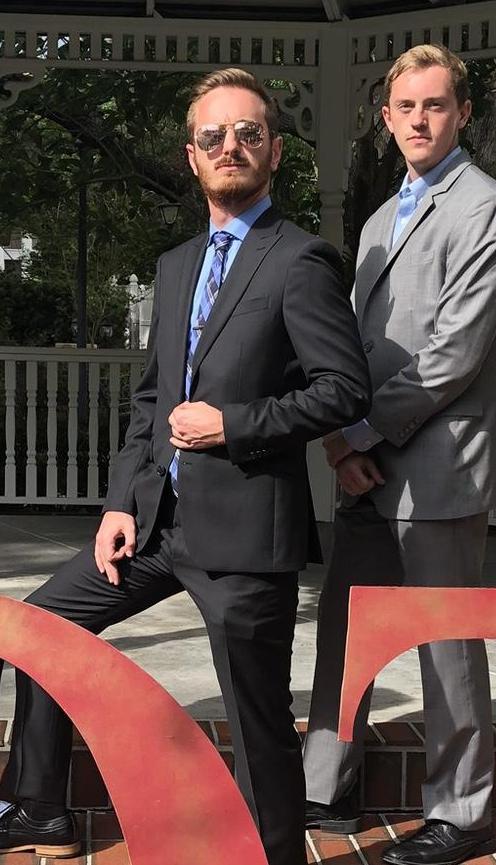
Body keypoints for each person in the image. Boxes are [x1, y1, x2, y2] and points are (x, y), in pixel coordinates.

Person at [0, 68, 370, 865]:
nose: (230, 145)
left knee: (259, 724)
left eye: (248, 133)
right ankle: (39, 808)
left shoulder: (302, 260)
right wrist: (119, 502)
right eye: (213, 135)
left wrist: (233, 424)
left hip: (245, 539)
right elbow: (151, 400)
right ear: (191, 156)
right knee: (42, 625)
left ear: (275, 151)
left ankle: (272, 856)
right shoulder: (176, 266)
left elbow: (343, 390)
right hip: (156, 526)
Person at [303, 45, 496, 865]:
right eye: (406, 107)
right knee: (345, 628)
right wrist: (340, 439)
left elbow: (453, 355)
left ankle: (462, 813)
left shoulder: (488, 209)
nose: (420, 120)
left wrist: (356, 434)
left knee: (445, 642)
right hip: (364, 462)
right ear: (387, 117)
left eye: (435, 105)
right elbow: (350, 349)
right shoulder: (375, 221)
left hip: (441, 467)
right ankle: (327, 783)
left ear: (462, 112)